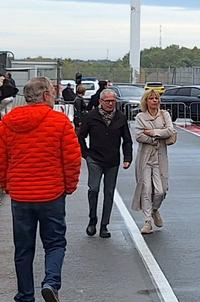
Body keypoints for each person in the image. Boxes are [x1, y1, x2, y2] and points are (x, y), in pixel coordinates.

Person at [0, 77, 79, 302]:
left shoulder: (8, 123)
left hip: (21, 196)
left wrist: (8, 184)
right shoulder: (59, 123)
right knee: (55, 243)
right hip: (51, 194)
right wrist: (68, 186)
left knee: (23, 249)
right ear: (47, 95)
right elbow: (71, 158)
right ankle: (51, 283)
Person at [75, 87, 133, 238]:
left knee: (109, 192)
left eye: (113, 101)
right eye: (107, 101)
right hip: (95, 158)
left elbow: (127, 140)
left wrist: (127, 158)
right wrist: (85, 154)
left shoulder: (120, 117)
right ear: (100, 101)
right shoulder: (91, 116)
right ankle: (92, 220)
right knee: (93, 189)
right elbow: (80, 136)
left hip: (112, 160)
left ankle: (104, 225)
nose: (110, 104)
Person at [131, 88, 177, 235]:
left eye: (156, 98)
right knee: (146, 189)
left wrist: (153, 133)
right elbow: (139, 136)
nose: (154, 101)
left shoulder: (165, 115)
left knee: (161, 190)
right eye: (151, 98)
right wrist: (155, 137)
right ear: (146, 101)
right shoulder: (140, 117)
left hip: (160, 157)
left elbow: (170, 131)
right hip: (145, 157)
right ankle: (147, 222)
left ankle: (155, 210)